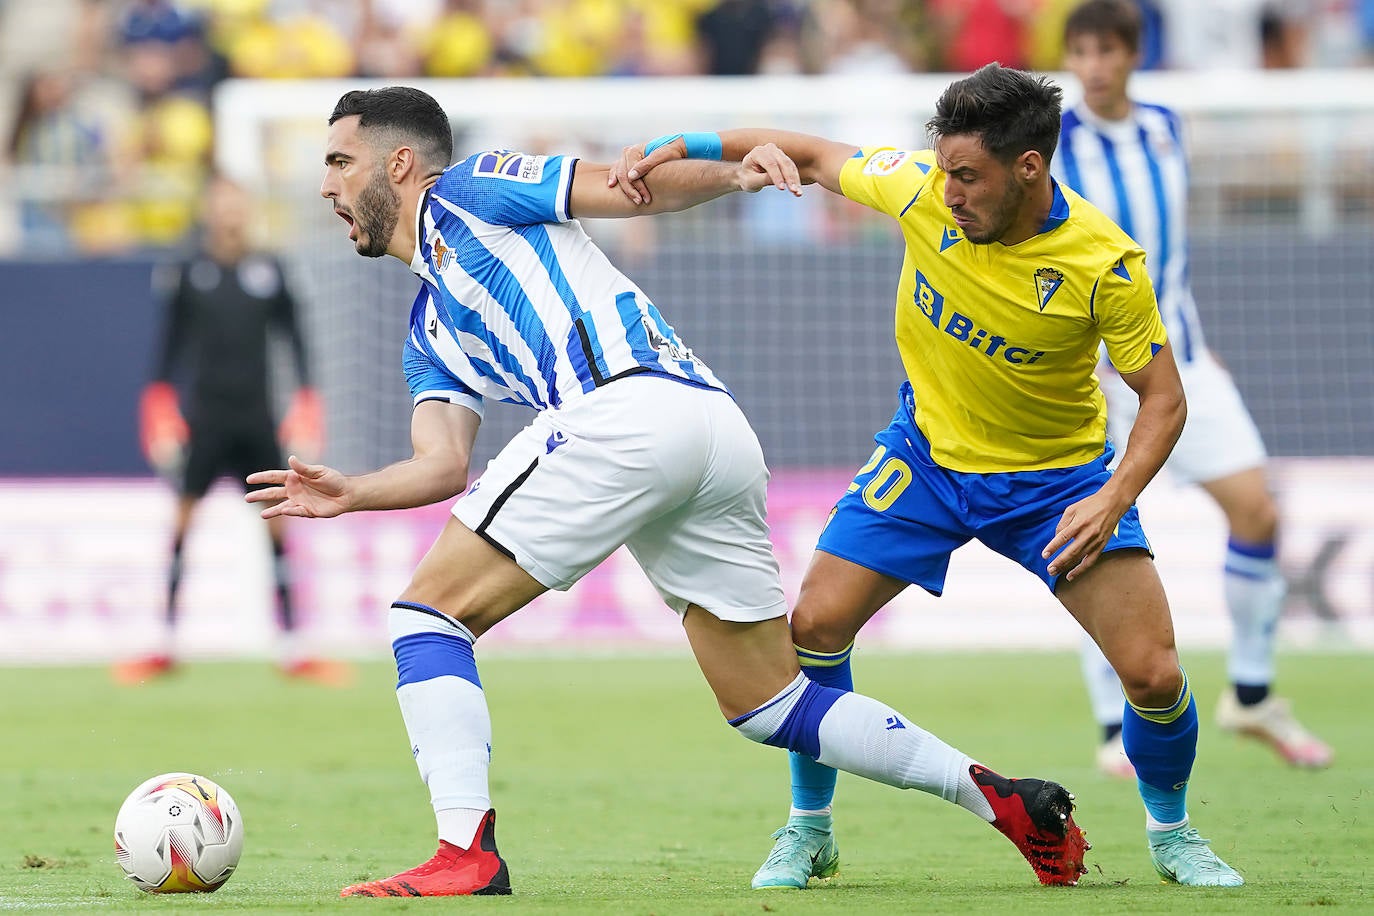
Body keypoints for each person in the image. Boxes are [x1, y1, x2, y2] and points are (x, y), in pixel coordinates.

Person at [244, 85, 1089, 898]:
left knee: (428, 619)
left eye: (339, 161)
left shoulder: (471, 189)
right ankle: (1000, 798)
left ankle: (464, 854)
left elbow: (627, 186)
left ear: (399, 165)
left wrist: (734, 174)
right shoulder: (430, 331)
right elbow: (439, 465)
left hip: (622, 409)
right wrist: (352, 490)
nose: (326, 185)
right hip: (710, 428)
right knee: (770, 702)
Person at [615, 63, 1244, 888]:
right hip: (925, 462)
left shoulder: (1104, 263)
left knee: (1154, 674)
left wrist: (1113, 496)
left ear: (1029, 167)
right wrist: (686, 142)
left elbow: (1164, 399)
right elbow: (810, 152)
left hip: (1055, 484)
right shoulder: (920, 190)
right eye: (944, 170)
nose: (950, 193)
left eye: (968, 176)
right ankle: (809, 829)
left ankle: (1173, 834)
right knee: (813, 628)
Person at [1054, 0, 1332, 778]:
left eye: (1107, 51)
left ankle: (1251, 693)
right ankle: (1112, 726)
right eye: (1081, 52)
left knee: (1257, 510)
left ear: (1132, 55)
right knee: (1093, 537)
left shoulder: (1165, 127)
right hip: (1095, 377)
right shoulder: (1053, 146)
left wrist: (1197, 343)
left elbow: (1165, 258)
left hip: (1181, 361)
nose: (1094, 66)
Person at [120, 173, 347, 687]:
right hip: (205, 420)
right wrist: (158, 406)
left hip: (256, 418)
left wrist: (307, 403)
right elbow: (168, 347)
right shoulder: (188, 271)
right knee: (182, 523)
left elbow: (296, 340)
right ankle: (165, 644)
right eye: (221, 203)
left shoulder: (270, 270)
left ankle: (293, 646)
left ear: (247, 211)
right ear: (209, 211)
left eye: (237, 203)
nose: (230, 213)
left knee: (278, 524)